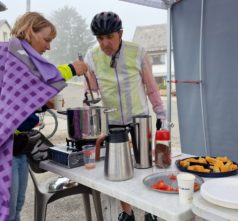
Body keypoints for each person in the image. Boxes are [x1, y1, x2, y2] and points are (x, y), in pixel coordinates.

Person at [84, 11, 166, 221]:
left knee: (146, 166)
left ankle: (151, 211)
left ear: (120, 33)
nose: (105, 43)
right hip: (112, 121)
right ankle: (127, 212)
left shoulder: (137, 51)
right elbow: (91, 91)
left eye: (109, 37)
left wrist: (161, 113)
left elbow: (151, 86)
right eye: (100, 38)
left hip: (139, 117)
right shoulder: (92, 56)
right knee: (119, 170)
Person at [7, 12, 88, 221]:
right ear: (29, 31)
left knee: (16, 206)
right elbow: (39, 78)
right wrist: (71, 68)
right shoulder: (10, 54)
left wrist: (40, 104)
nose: (49, 47)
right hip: (5, 148)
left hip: (18, 147)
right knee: (6, 211)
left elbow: (19, 96)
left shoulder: (21, 57)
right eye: (46, 40)